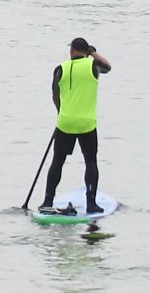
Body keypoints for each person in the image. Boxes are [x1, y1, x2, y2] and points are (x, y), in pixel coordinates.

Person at [41, 38, 112, 216]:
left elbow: (54, 94)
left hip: (65, 122)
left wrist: (60, 112)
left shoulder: (60, 69)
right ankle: (91, 204)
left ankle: (47, 201)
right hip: (87, 123)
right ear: (85, 51)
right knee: (90, 161)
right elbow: (107, 66)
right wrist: (93, 52)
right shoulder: (93, 66)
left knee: (58, 161)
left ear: (72, 51)